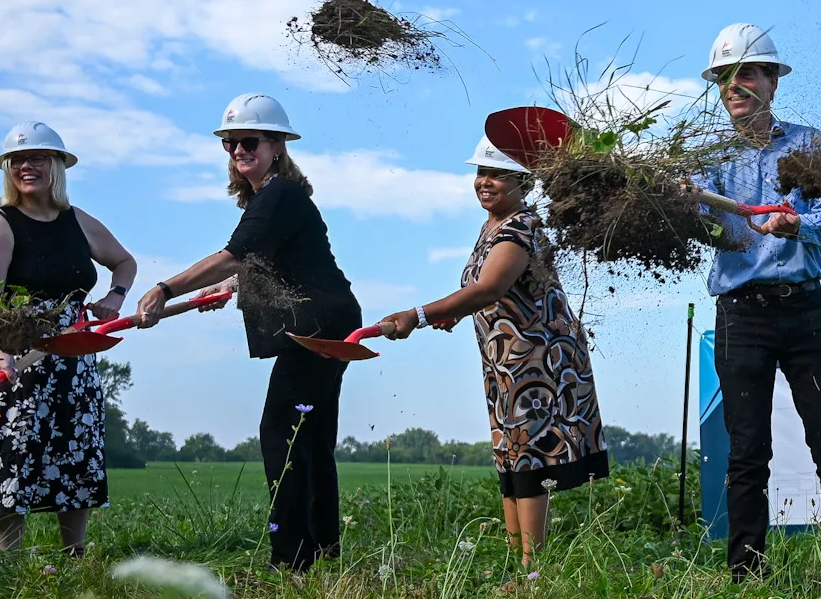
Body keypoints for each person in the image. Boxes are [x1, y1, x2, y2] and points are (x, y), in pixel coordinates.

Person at [135, 94, 362, 571]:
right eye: (230, 144)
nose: (238, 151)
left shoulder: (278, 193)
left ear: (276, 145)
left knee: (283, 433)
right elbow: (266, 262)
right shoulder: (272, 198)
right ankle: (320, 551)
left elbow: (236, 253)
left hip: (316, 327)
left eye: (248, 142)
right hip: (327, 320)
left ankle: (292, 559)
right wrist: (224, 286)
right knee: (311, 436)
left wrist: (165, 288)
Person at [376, 136, 609, 569]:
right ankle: (517, 562)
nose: (485, 182)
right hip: (504, 360)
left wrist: (420, 314)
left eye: (498, 174)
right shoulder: (491, 227)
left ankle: (532, 571)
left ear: (523, 181)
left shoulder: (521, 227)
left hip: (536, 358)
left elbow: (490, 288)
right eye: (481, 173)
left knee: (530, 457)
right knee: (509, 453)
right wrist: (458, 313)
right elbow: (482, 296)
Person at [696, 22, 821, 581]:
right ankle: (747, 576)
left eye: (747, 73)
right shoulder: (704, 157)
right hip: (741, 316)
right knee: (747, 452)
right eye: (724, 77)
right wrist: (680, 209)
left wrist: (797, 227)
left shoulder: (808, 145)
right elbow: (702, 232)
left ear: (773, 81)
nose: (735, 86)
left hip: (805, 312)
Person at [0, 122, 137, 556]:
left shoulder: (77, 221)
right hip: (13, 349)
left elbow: (124, 261)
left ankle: (75, 554)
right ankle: (7, 561)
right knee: (9, 448)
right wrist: (2, 352)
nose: (27, 166)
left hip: (71, 351)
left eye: (38, 158)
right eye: (18, 159)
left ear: (58, 166)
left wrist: (115, 296)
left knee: (74, 446)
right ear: (7, 168)